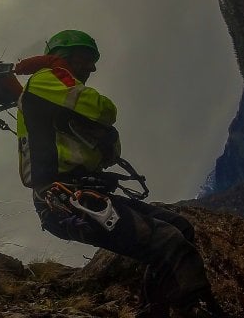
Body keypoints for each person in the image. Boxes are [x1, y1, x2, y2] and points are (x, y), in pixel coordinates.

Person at [15, 30, 225, 317]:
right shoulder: (47, 79)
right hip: (62, 198)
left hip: (79, 194)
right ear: (64, 57)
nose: (92, 67)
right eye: (86, 59)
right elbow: (104, 110)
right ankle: (197, 309)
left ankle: (156, 310)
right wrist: (61, 72)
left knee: (180, 227)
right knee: (167, 240)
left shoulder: (53, 94)